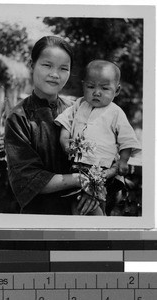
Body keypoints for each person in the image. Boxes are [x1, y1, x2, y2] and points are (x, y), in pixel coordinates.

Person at [4, 35, 97, 215]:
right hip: (40, 217)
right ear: (32, 65)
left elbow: (105, 155)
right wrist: (82, 179)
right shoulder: (18, 118)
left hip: (83, 213)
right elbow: (28, 178)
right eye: (47, 65)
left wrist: (95, 189)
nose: (55, 75)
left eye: (64, 68)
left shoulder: (78, 110)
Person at [55, 59, 141, 215]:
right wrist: (64, 140)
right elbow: (65, 121)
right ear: (83, 86)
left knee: (96, 203)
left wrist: (123, 161)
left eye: (105, 88)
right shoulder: (79, 104)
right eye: (90, 86)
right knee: (79, 203)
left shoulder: (115, 112)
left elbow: (126, 139)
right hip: (78, 166)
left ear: (117, 91)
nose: (96, 92)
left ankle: (98, 229)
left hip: (102, 169)